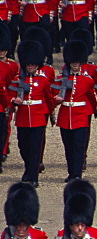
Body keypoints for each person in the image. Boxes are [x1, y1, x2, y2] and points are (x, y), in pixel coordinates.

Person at [8, 40, 54, 186]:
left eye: (32, 65)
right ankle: (28, 169)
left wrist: (50, 113)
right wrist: (13, 102)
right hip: (22, 118)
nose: (30, 67)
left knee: (35, 148)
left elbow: (49, 98)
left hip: (38, 117)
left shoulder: (43, 81)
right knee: (23, 146)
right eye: (28, 65)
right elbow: (9, 96)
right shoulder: (17, 80)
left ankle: (33, 177)